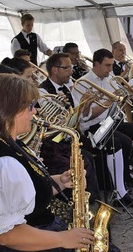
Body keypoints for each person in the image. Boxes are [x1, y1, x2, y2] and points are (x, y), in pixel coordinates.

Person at [0, 73, 129, 252]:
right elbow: (6, 235)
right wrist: (64, 239)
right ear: (12, 109)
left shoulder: (11, 142)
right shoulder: (4, 162)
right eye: (30, 106)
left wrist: (60, 181)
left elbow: (20, 194)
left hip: (36, 238)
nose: (35, 112)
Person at [74, 49, 133, 206]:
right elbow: (84, 117)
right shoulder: (83, 83)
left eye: (111, 65)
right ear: (96, 64)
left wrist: (126, 95)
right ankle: (120, 193)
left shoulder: (109, 78)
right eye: (107, 65)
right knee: (117, 142)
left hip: (112, 121)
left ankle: (132, 174)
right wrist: (108, 101)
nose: (110, 70)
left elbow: (119, 104)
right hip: (93, 127)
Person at [37, 53, 101, 202]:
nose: (71, 71)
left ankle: (98, 197)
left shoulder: (68, 88)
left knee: (97, 148)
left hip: (68, 136)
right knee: (86, 159)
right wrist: (71, 107)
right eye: (66, 68)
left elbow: (80, 118)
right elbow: (53, 123)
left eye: (71, 67)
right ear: (54, 70)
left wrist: (85, 106)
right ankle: (88, 202)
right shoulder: (43, 92)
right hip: (53, 142)